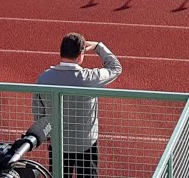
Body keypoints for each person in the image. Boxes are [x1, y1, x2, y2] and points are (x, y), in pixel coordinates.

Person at [34, 33, 123, 178]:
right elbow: (115, 68)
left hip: (58, 143)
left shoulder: (44, 78)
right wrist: (98, 46)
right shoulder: (90, 78)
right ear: (81, 54)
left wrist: (47, 134)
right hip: (86, 143)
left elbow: (38, 111)